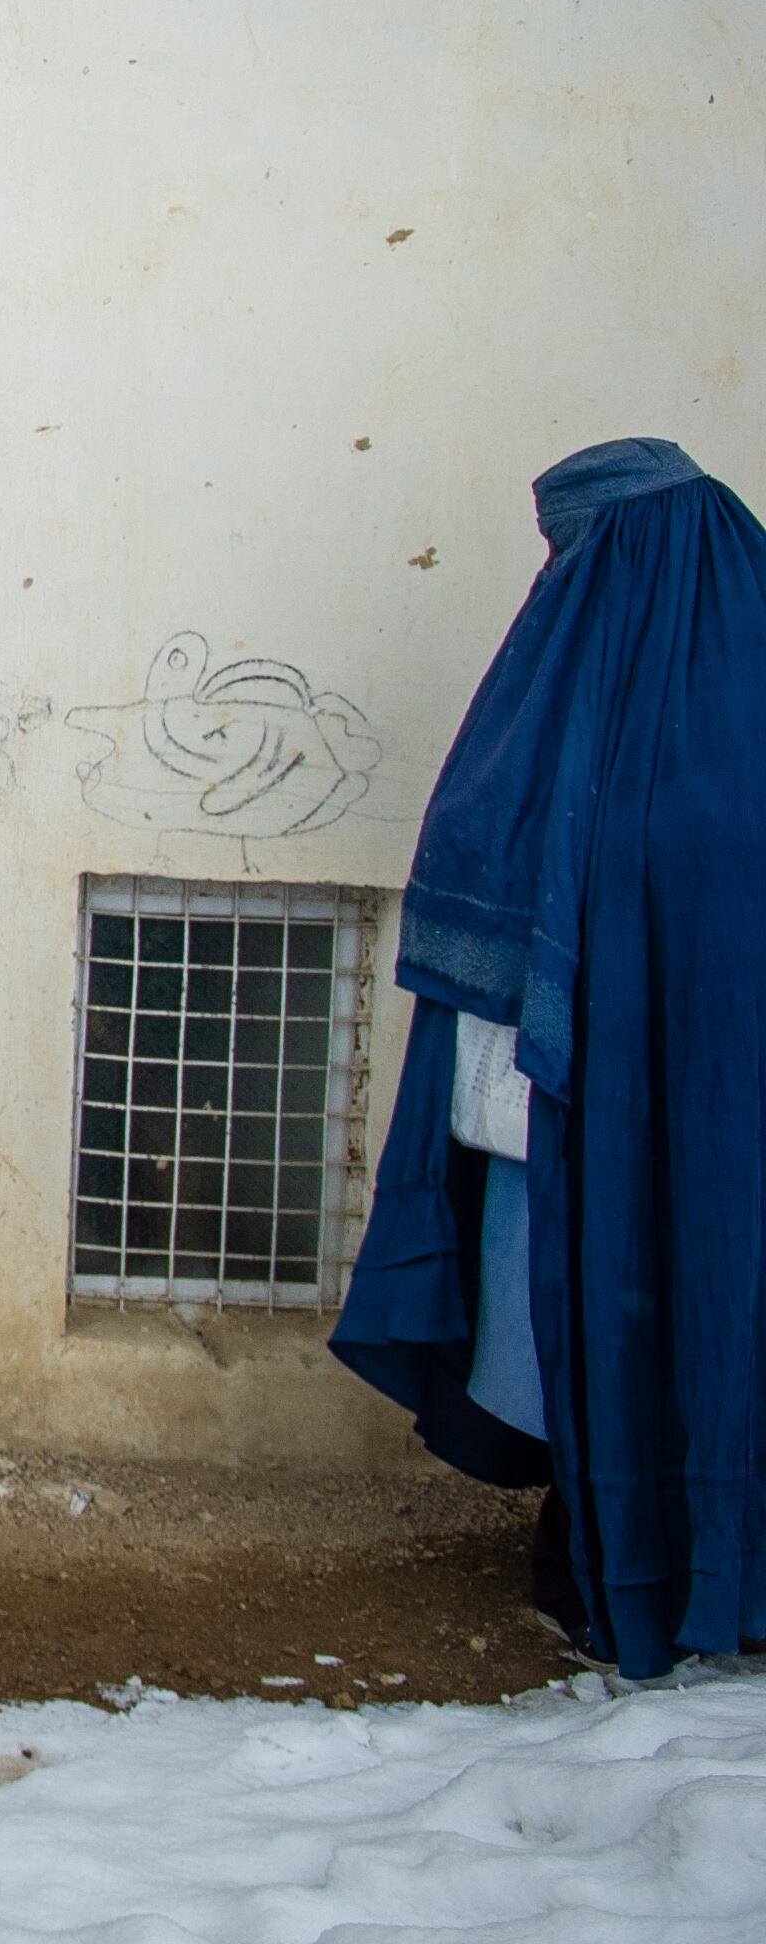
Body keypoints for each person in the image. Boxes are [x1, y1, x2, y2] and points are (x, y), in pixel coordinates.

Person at [333, 438, 765, 1679]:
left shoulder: (570, 704)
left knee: (605, 1297)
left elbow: (487, 850)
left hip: (596, 1113)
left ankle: (606, 1549)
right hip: (726, 1120)